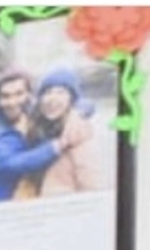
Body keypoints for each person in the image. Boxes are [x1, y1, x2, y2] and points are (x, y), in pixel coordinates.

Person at [0, 68, 64, 204]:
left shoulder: (34, 120)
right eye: (5, 96)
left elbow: (80, 107)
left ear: (30, 95)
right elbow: (9, 165)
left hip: (24, 200)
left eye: (19, 94)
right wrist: (53, 148)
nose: (12, 102)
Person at [28, 68, 112, 196]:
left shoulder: (77, 134)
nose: (52, 98)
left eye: (60, 92)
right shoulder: (39, 130)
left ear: (71, 100)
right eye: (47, 92)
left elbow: (92, 185)